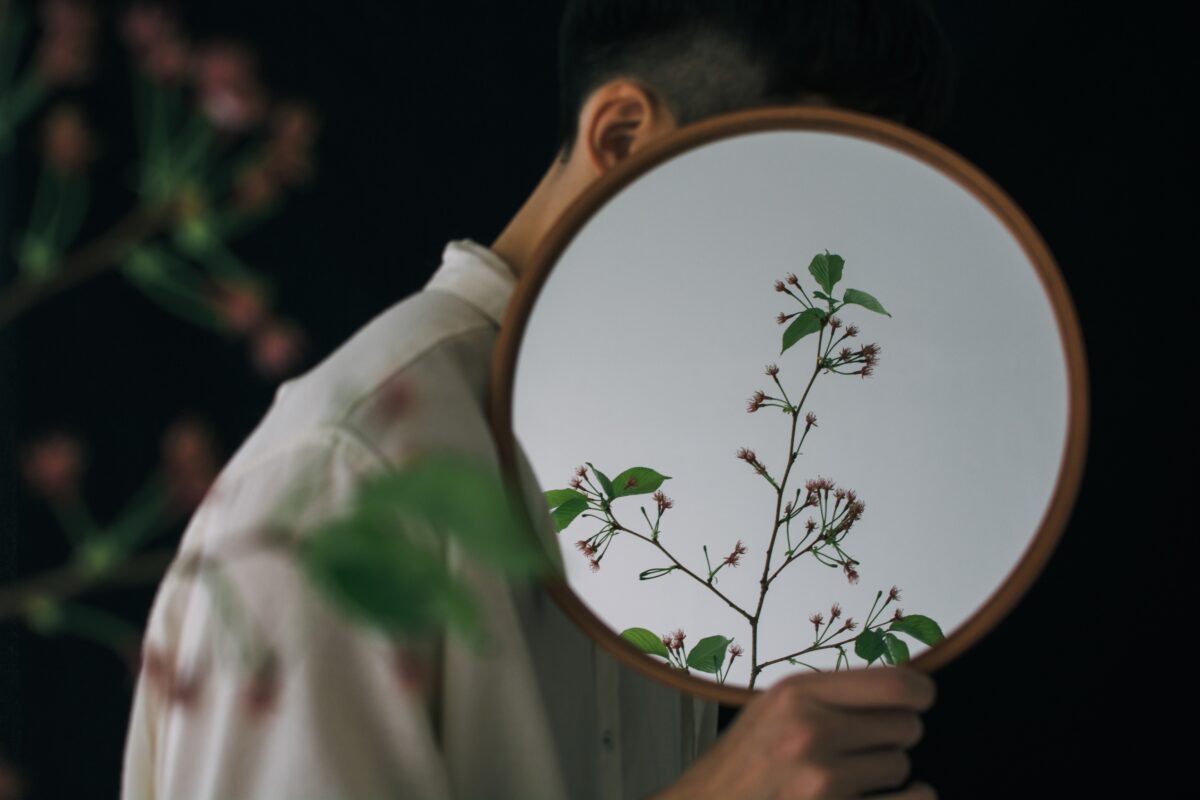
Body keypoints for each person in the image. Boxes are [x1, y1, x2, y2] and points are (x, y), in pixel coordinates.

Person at [119, 1, 956, 798]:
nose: (830, 277)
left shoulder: (664, 491)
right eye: (811, 199)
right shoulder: (352, 467)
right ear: (623, 138)